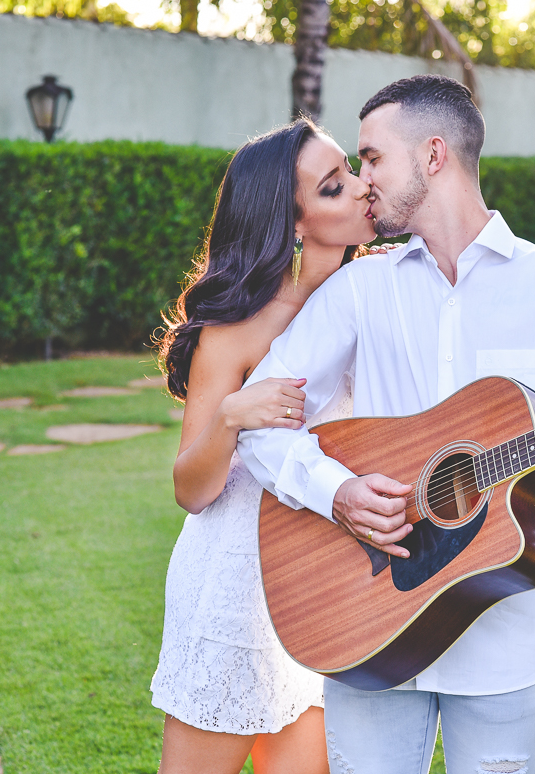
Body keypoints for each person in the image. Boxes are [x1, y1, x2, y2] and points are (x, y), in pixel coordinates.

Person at [237, 75, 535, 774]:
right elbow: (260, 420)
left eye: (373, 158)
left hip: (504, 641)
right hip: (362, 621)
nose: (362, 182)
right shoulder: (361, 289)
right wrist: (336, 493)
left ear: (435, 155)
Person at [150, 118, 380, 774]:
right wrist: (229, 416)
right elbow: (191, 489)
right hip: (233, 586)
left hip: (317, 586)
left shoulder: (376, 295)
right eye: (335, 187)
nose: (364, 190)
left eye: (354, 171)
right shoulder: (236, 330)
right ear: (295, 223)